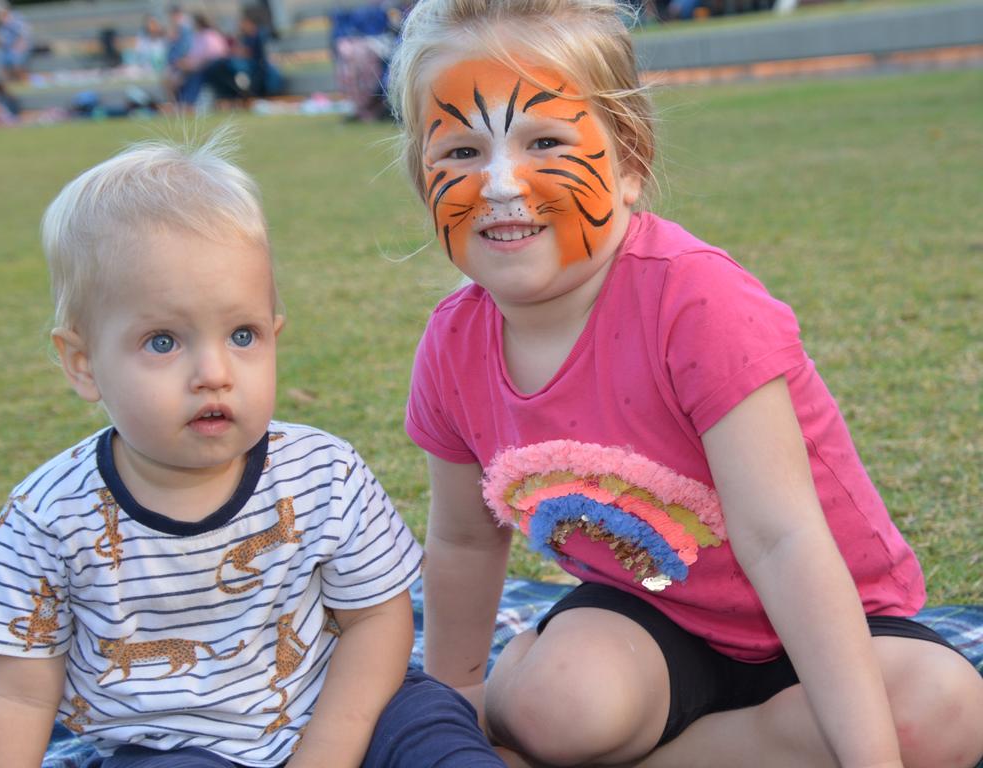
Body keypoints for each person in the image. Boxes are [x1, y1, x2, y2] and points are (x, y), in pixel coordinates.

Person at [388, 1, 983, 766]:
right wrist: (456, 711)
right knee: (554, 705)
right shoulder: (452, 346)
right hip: (649, 622)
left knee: (944, 715)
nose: (502, 185)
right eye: (462, 151)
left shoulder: (698, 303)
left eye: (544, 140)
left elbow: (782, 541)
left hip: (829, 622)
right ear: (421, 177)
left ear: (629, 162)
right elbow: (465, 539)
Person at [0, 133, 505, 768]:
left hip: (346, 705)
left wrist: (327, 752)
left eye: (242, 334)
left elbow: (377, 623)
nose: (213, 372)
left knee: (432, 730)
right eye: (163, 342)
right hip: (172, 744)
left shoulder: (323, 474)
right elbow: (13, 696)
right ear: (83, 365)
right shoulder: (47, 521)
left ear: (274, 335)